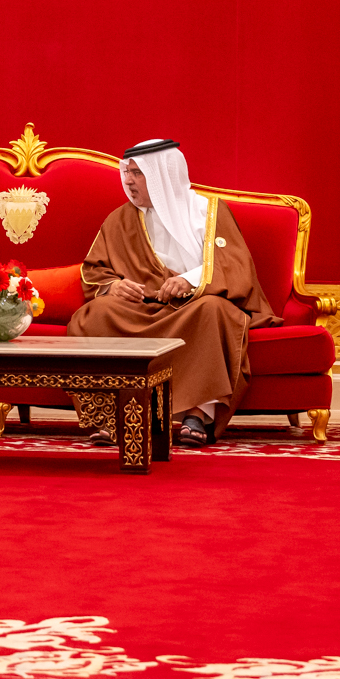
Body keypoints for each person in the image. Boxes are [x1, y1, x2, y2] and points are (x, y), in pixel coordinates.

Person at [67, 138, 273, 447]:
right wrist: (114, 286)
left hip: (195, 304)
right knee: (93, 315)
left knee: (213, 311)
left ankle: (197, 414)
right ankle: (112, 414)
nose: (128, 181)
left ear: (162, 175)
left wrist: (190, 280)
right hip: (143, 307)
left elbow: (235, 266)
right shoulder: (121, 218)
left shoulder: (209, 211)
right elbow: (95, 270)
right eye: (127, 172)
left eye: (137, 173)